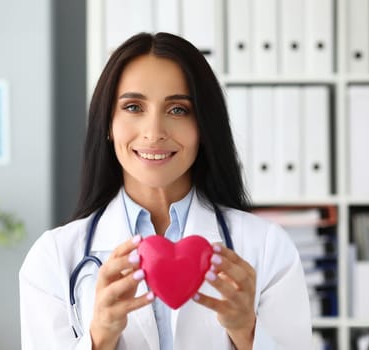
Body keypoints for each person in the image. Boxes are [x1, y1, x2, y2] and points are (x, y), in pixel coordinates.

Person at [19, 32, 313, 349]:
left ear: (203, 126)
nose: (154, 133)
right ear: (108, 123)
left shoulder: (266, 247)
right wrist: (99, 337)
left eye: (177, 110)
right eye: (133, 107)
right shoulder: (52, 258)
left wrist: (248, 333)